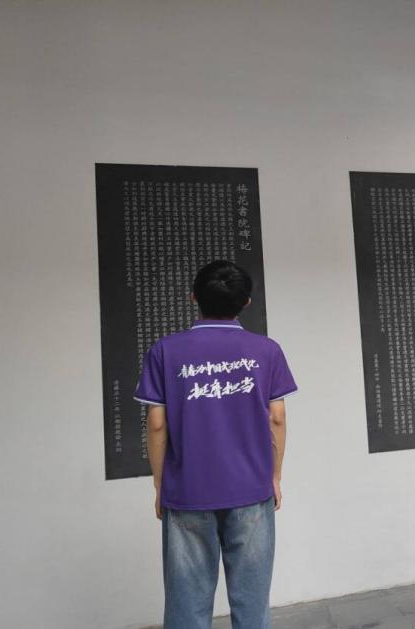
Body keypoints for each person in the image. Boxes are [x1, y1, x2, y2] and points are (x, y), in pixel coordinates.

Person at [134, 260, 297, 629]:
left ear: (194, 297)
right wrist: (274, 476)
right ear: (246, 302)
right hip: (251, 489)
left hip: (187, 491)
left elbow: (157, 424)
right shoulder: (267, 351)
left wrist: (160, 484)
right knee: (252, 601)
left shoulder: (165, 351)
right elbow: (277, 418)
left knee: (186, 602)